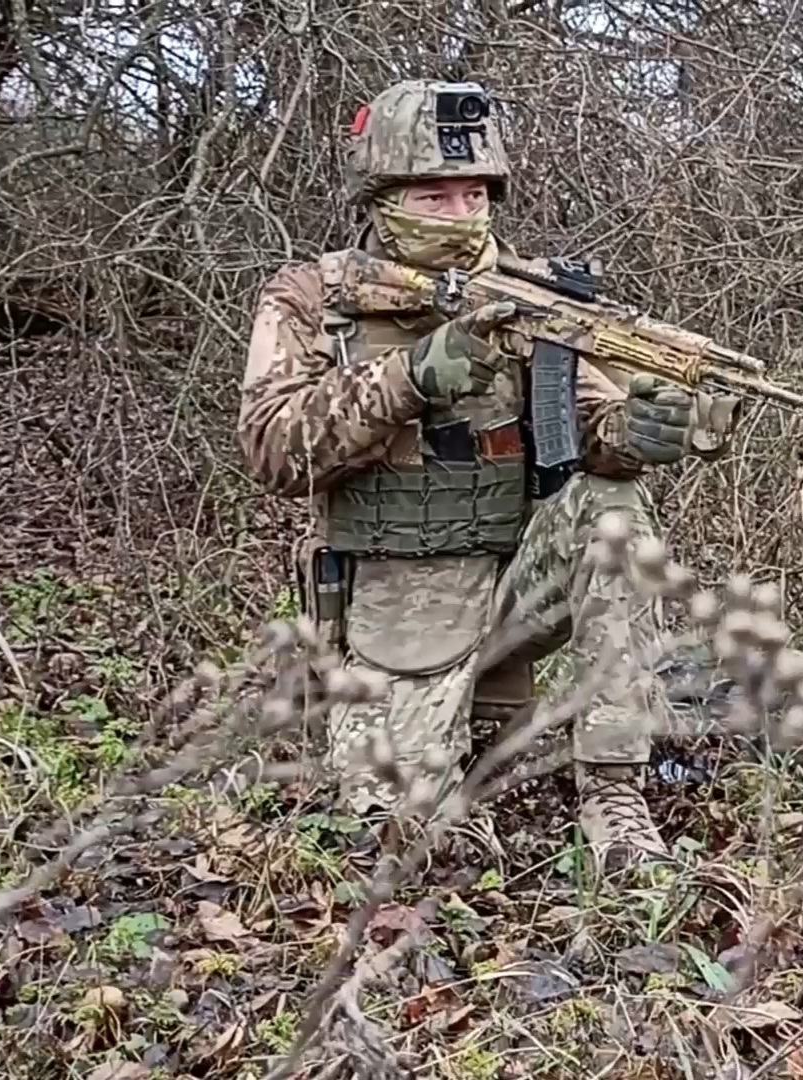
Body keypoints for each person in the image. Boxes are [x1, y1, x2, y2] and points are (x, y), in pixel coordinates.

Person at [238, 79, 721, 874]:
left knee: (613, 508)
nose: (460, 218)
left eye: (474, 196)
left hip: (515, 591)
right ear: (383, 198)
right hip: (396, 616)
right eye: (435, 196)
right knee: (414, 847)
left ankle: (613, 789)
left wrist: (637, 432)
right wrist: (414, 377)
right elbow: (273, 449)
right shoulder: (315, 300)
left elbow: (595, 436)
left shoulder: (532, 297)